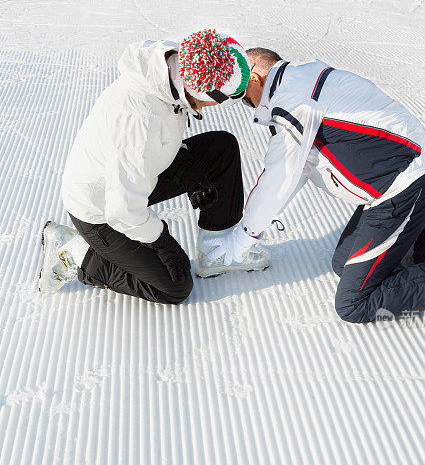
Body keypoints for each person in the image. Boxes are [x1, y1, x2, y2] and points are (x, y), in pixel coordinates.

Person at [205, 48, 425, 323]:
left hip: (402, 190)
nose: (246, 104)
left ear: (256, 77)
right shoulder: (305, 74)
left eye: (242, 96)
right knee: (343, 263)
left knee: (353, 302)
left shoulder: (292, 106)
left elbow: (279, 177)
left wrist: (242, 239)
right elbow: (297, 171)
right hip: (403, 179)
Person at [39, 30, 268, 304]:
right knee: (174, 286)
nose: (223, 105)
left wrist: (183, 162)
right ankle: (75, 255)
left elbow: (162, 132)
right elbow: (122, 208)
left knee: (222, 148)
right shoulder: (138, 121)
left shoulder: (173, 71)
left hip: (127, 174)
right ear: (203, 93)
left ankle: (215, 250)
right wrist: (162, 241)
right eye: (225, 98)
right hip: (99, 209)